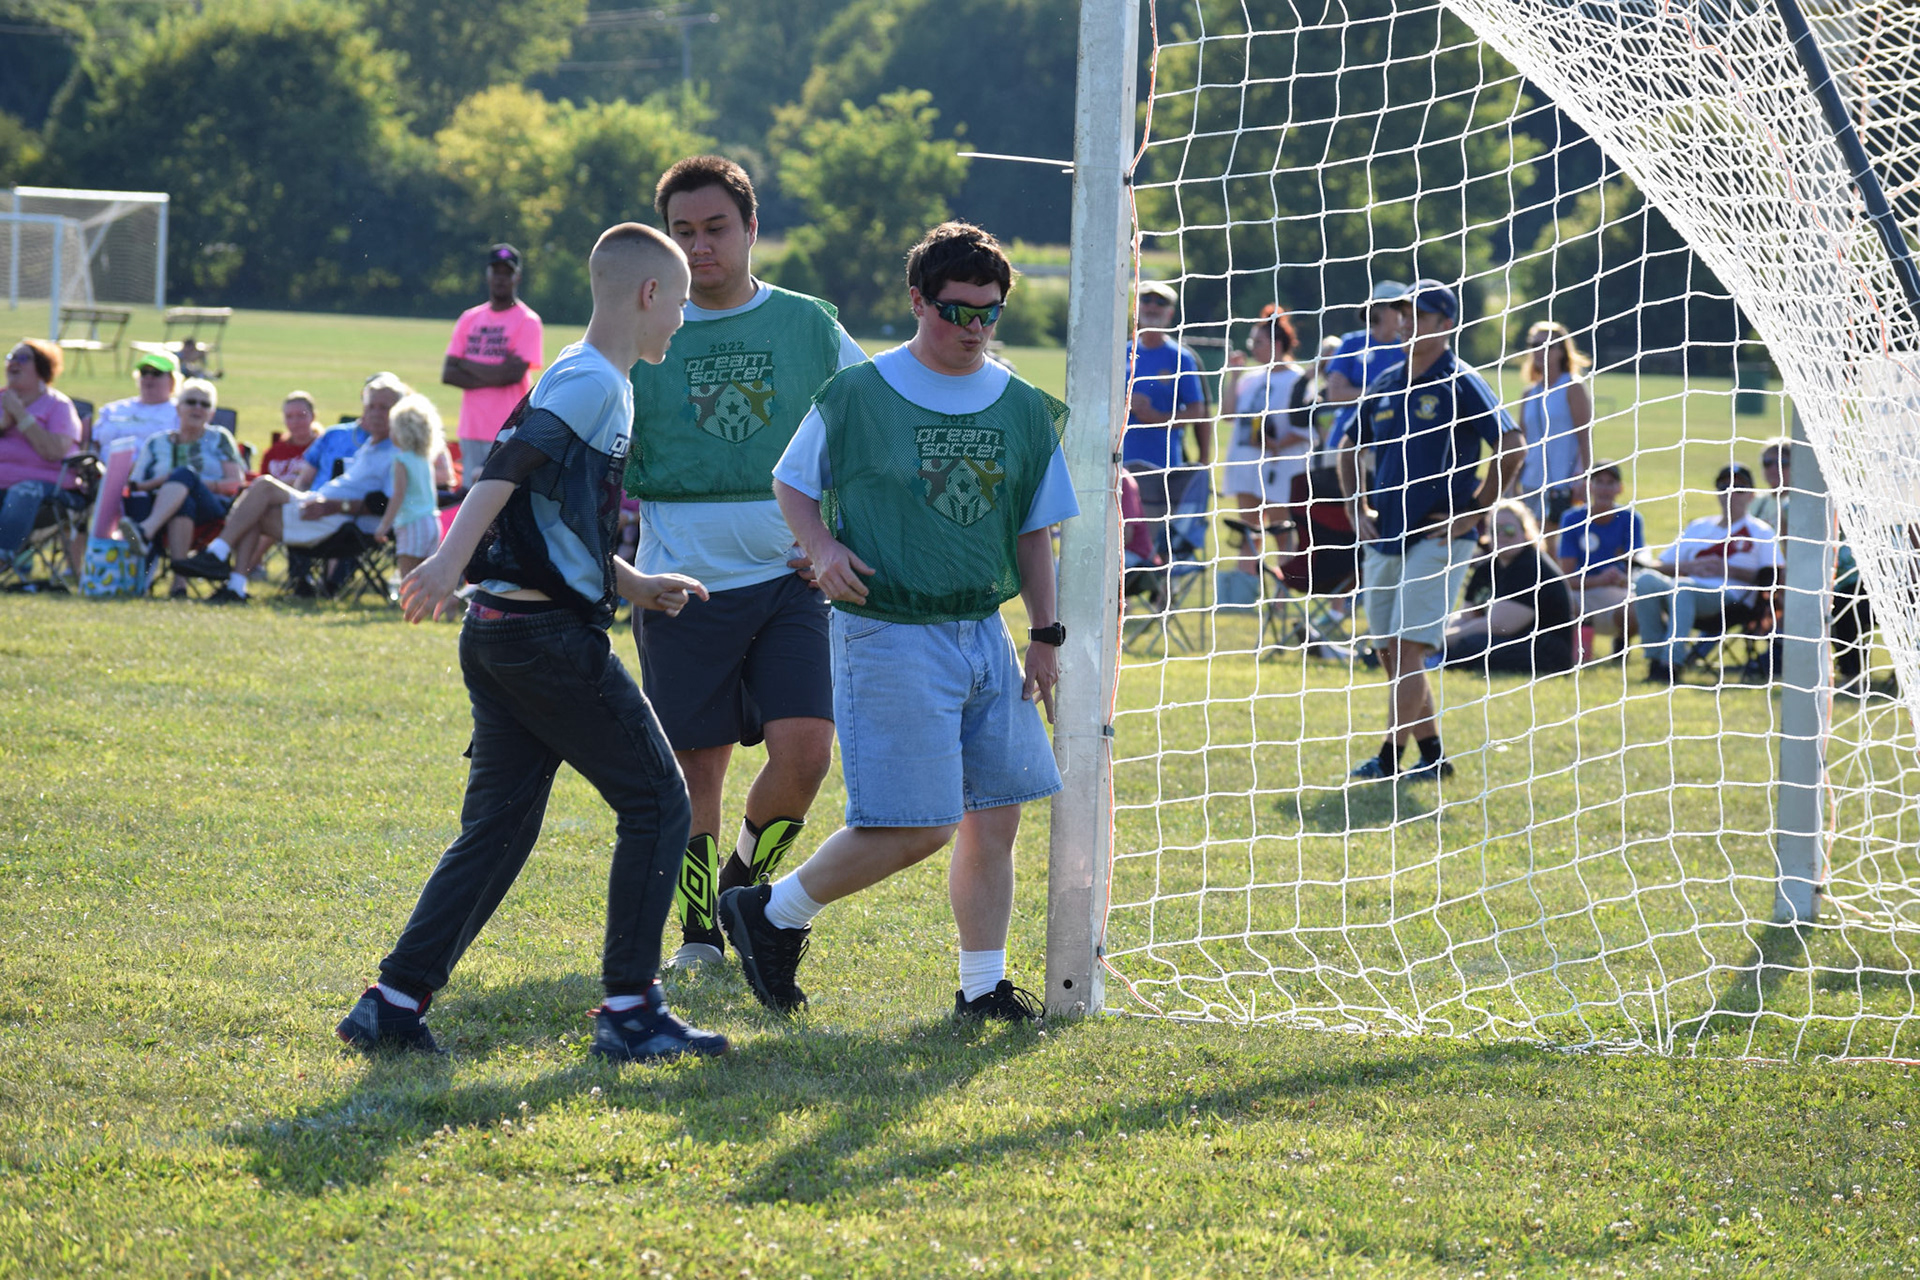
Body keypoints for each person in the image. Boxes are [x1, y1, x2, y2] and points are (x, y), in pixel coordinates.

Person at [336, 222, 727, 1063]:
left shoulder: (587, 375)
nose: (682, 320)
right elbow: (506, 469)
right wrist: (447, 560)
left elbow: (554, 518)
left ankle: (392, 1003)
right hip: (544, 641)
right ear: (648, 295)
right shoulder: (592, 381)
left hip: (502, 632)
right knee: (660, 804)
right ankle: (632, 1010)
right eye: (680, 303)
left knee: (498, 829)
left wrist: (630, 582)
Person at [726, 220, 1077, 1023]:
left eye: (990, 313)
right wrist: (820, 546)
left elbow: (1034, 531)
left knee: (996, 816)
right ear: (918, 300)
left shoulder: (1021, 405)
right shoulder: (858, 392)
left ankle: (982, 988)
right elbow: (792, 481)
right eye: (957, 311)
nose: (974, 329)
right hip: (887, 630)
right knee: (918, 826)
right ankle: (772, 911)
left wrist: (1045, 635)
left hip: (984, 632)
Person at [626, 155, 868, 968]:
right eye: (683, 232)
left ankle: (742, 890)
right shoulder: (642, 326)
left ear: (752, 228)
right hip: (681, 588)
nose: (700, 246)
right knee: (698, 774)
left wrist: (835, 536)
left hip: (790, 584)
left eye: (716, 228)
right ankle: (699, 933)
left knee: (807, 754)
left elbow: (873, 424)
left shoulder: (810, 325)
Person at [1337, 278, 1525, 781]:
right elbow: (1349, 446)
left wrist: (1477, 511)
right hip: (1385, 536)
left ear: (1446, 324)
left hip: (1437, 537)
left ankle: (1387, 759)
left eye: (1416, 315)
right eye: (1401, 314)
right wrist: (1357, 507)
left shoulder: (1460, 380)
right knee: (1390, 652)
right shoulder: (1386, 381)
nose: (1404, 323)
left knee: (1408, 648)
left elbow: (1512, 443)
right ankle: (1434, 755)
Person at [169, 374, 406, 602]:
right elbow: (307, 478)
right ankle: (233, 583)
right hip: (320, 505)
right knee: (259, 496)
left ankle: (218, 556)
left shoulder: (397, 451)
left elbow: (387, 502)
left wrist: (334, 506)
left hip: (341, 521)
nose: (374, 413)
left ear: (399, 412)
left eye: (383, 408)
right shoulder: (372, 443)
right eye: (370, 406)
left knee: (262, 490)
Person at [1632, 462, 1780, 682]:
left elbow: (1773, 576)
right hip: (1685, 590)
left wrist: (1727, 569)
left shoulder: (1761, 531)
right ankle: (1654, 660)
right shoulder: (1699, 527)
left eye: (1739, 488)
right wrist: (1689, 567)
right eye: (1723, 487)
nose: (1730, 493)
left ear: (1751, 495)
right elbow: (1658, 564)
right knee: (1646, 580)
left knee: (1683, 588)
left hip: (1731, 600)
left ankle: (1671, 664)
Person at [118, 378, 244, 600]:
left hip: (210, 507)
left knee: (184, 474)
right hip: (162, 506)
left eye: (204, 404)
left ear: (212, 413)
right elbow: (136, 484)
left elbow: (235, 483)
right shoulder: (156, 442)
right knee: (183, 502)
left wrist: (192, 482)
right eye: (191, 402)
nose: (198, 408)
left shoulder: (219, 438)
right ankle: (179, 584)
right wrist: (171, 486)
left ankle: (145, 531)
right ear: (178, 408)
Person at [1219, 304, 1311, 601]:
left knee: (1282, 532)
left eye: (1258, 342)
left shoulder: (1297, 379)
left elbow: (1308, 429)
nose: (1252, 347)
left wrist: (1276, 444)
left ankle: (1283, 597)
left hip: (1279, 468)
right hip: (1246, 465)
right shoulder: (1251, 378)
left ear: (1277, 344)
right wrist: (1234, 375)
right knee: (1248, 530)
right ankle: (1243, 596)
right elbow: (1228, 415)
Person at [443, 244, 544, 480]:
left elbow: (512, 375)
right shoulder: (470, 318)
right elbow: (449, 373)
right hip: (471, 428)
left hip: (507, 429)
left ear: (517, 277)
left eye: (507, 273)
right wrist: (497, 372)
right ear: (487, 275)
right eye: (496, 272)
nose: (501, 279)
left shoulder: (527, 321)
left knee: (498, 494)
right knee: (468, 495)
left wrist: (466, 364)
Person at [1441, 499, 1575, 674]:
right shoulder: (1485, 569)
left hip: (1543, 649)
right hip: (1508, 640)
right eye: (1495, 530)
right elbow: (1466, 615)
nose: (1502, 535)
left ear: (1525, 532)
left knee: (1468, 646)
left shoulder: (1531, 566)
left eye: (1509, 530)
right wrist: (1443, 635)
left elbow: (1499, 624)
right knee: (1463, 644)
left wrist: (1444, 640)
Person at [1120, 281, 1210, 529]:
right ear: (1136, 307)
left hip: (1163, 468)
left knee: (1155, 539)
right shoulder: (1120, 352)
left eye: (1160, 302)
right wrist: (1124, 404)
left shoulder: (1182, 357)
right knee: (1120, 537)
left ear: (1170, 313)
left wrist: (1156, 416)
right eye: (1146, 300)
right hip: (1119, 463)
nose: (1152, 307)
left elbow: (1198, 412)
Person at [0, 338, 82, 569]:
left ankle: (3, 556)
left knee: (24, 490)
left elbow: (54, 451)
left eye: (22, 358)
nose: (14, 363)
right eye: (10, 357)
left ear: (43, 368)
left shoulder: (58, 406)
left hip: (46, 492)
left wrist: (21, 415)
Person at [1512, 320, 1594, 531]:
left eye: (1548, 345)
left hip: (1563, 485)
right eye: (1535, 345)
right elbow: (1522, 442)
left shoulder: (1572, 387)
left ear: (1561, 351)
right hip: (1531, 482)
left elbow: (1585, 437)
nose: (1540, 351)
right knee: (1530, 541)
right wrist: (1512, 482)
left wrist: (1584, 479)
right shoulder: (1528, 393)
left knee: (1555, 542)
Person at [1554, 460, 1644, 650]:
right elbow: (1566, 578)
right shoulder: (1572, 519)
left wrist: (1622, 579)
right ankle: (1578, 650)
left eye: (1610, 483)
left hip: (1616, 594)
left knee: (1639, 609)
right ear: (1589, 486)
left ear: (1619, 488)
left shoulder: (1631, 519)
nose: (1604, 488)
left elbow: (1636, 569)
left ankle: (1622, 643)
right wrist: (1600, 580)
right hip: (1580, 592)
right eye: (1599, 482)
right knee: (1557, 602)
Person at [1321, 281, 1414, 451]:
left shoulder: (1408, 349)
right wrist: (1380, 393)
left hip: (1390, 443)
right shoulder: (1351, 343)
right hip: (1344, 441)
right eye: (1398, 308)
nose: (1404, 316)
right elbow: (1335, 394)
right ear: (1379, 310)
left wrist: (1356, 392)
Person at [371, 393, 446, 577]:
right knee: (428, 578)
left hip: (412, 523)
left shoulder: (401, 460)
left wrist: (384, 525)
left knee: (409, 578)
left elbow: (398, 495)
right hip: (431, 522)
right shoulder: (424, 458)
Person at [89, 350, 179, 453]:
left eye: (156, 373)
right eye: (144, 372)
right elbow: (93, 443)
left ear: (172, 380)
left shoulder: (180, 413)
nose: (149, 377)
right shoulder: (113, 410)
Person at [257, 391, 323, 483]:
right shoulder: (274, 452)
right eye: (289, 416)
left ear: (313, 416)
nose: (295, 421)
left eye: (301, 415)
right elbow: (262, 485)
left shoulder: (324, 448)